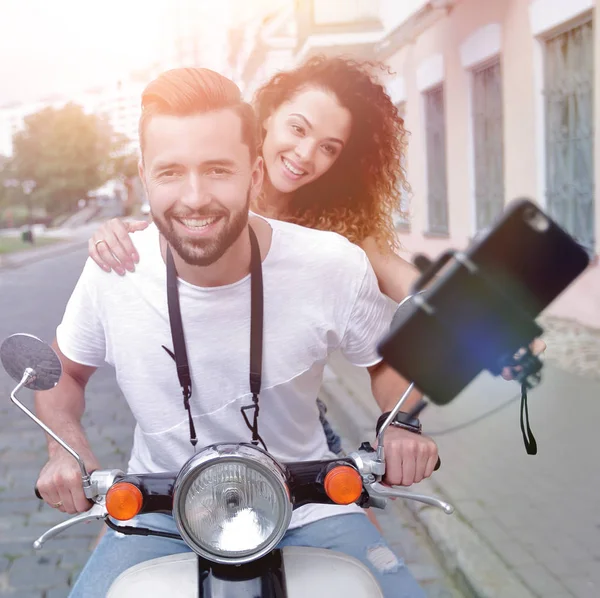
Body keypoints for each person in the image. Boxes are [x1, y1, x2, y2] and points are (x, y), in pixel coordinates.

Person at [36, 67, 439, 598]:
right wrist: (63, 448)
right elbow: (63, 369)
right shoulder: (114, 271)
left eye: (218, 170)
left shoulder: (331, 262)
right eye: (171, 171)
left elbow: (387, 361)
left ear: (253, 173)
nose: (196, 197)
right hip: (158, 509)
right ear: (143, 176)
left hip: (307, 507)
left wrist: (400, 423)